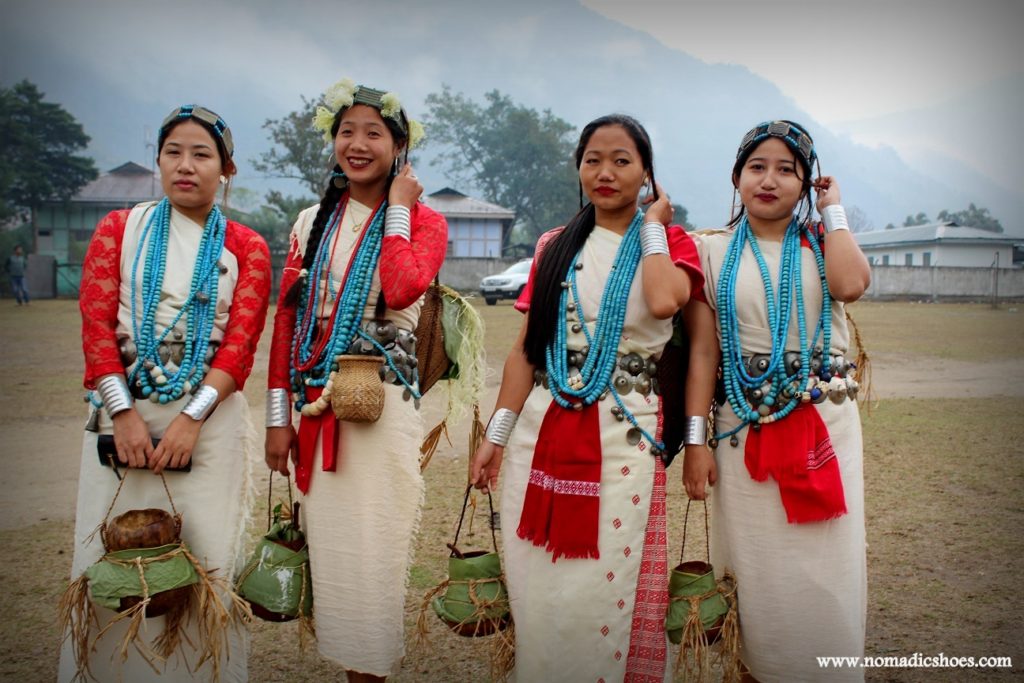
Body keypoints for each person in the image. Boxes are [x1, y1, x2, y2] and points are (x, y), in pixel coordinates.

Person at [471, 114, 704, 681]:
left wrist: (651, 227)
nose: (605, 172)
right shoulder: (555, 245)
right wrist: (496, 436)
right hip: (541, 434)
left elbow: (667, 300)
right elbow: (526, 351)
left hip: (625, 437)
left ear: (647, 173)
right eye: (593, 159)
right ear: (578, 167)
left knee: (603, 593)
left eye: (622, 160)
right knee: (542, 592)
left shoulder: (672, 245)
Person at [60, 104, 271, 682]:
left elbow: (240, 347)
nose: (185, 165)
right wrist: (123, 415)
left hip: (206, 429)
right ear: (157, 160)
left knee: (206, 567)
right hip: (118, 420)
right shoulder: (118, 229)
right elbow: (96, 327)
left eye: (201, 154)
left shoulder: (247, 247)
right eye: (173, 152)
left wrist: (190, 420)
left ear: (226, 168)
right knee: (113, 565)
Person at [263, 78, 446, 682]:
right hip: (315, 403)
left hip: (381, 409)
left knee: (374, 559)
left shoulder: (424, 222)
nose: (357, 144)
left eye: (374, 133)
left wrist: (397, 206)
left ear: (399, 147)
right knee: (337, 562)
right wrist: (277, 420)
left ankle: (371, 672)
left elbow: (400, 288)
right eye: (347, 131)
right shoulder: (310, 221)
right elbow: (286, 322)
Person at [682, 120, 871, 681]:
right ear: (736, 177)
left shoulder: (821, 243)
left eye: (786, 170)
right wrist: (695, 443)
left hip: (825, 428)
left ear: (807, 182)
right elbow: (702, 356)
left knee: (825, 573)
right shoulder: (707, 250)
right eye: (756, 167)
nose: (769, 180)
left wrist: (832, 209)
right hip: (742, 431)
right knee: (757, 575)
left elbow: (851, 285)